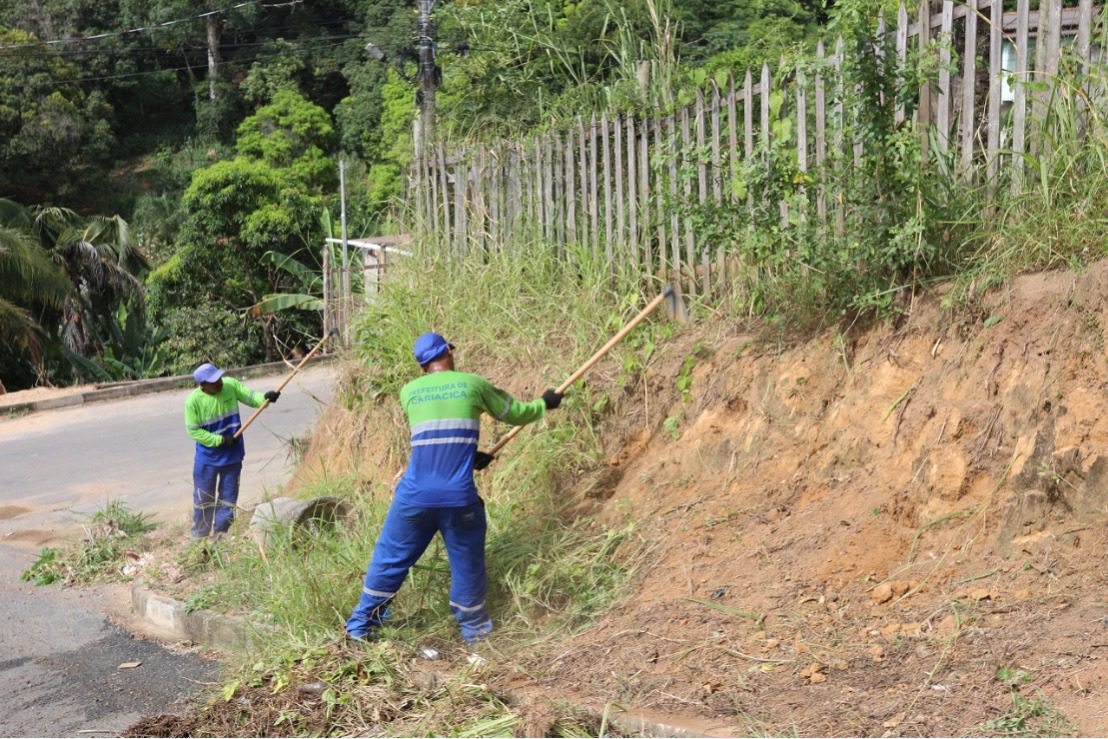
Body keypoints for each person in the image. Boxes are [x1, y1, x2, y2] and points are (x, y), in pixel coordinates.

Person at [345, 332, 562, 644]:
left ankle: (360, 628)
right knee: (467, 564)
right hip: (457, 498)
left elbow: (435, 439)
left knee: (389, 558)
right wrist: (545, 403)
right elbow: (517, 413)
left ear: (422, 366)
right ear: (448, 350)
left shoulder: (409, 392)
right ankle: (475, 635)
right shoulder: (473, 384)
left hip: (414, 496)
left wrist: (468, 456)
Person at [184, 363, 280, 539]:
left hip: (233, 455)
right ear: (203, 385)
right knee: (204, 499)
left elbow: (250, 397)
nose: (219, 382)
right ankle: (200, 537)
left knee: (228, 500)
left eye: (219, 378)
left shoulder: (230, 385)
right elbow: (193, 431)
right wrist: (219, 440)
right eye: (213, 382)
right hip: (208, 459)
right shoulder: (193, 402)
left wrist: (265, 398)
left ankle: (221, 535)